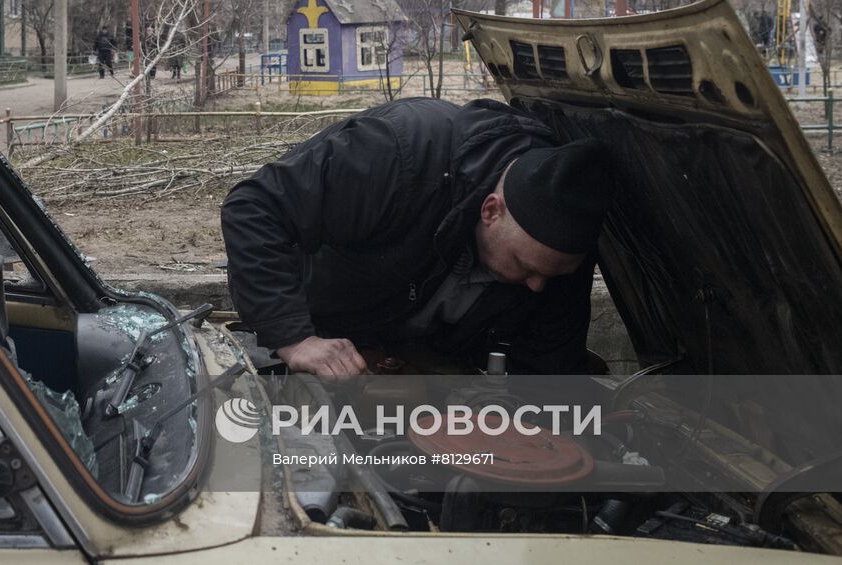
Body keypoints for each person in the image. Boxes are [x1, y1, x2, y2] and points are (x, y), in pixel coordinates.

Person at [221, 98, 612, 377]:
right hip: (322, 326)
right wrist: (295, 338)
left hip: (421, 356)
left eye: (550, 275)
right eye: (525, 266)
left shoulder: (561, 236)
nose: (536, 285)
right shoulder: (395, 153)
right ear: (491, 210)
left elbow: (549, 366)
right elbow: (254, 209)